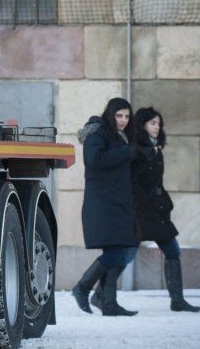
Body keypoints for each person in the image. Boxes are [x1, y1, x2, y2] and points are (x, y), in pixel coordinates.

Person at [123, 107, 200, 312]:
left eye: (159, 123)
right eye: (152, 123)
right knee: (125, 254)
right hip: (142, 211)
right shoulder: (136, 149)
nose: (157, 127)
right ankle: (99, 293)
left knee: (172, 250)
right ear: (142, 125)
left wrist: (165, 203)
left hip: (157, 211)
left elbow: (158, 182)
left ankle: (177, 300)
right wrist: (143, 206)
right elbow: (133, 183)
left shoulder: (156, 150)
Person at [71, 97, 139, 316]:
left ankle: (108, 303)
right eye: (119, 115)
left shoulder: (118, 136)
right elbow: (94, 159)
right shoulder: (97, 134)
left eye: (127, 116)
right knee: (115, 253)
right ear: (110, 114)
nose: (123, 120)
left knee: (117, 250)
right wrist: (127, 152)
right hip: (102, 204)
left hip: (116, 203)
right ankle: (82, 288)